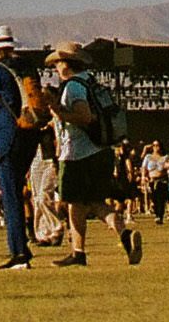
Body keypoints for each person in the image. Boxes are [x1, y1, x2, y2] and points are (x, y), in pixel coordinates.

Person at [43, 40, 141, 268]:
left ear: (67, 64)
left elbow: (84, 117)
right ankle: (125, 234)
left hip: (78, 154)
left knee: (74, 203)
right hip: (101, 152)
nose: (56, 67)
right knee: (97, 203)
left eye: (58, 62)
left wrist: (58, 112)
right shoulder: (90, 82)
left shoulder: (73, 87)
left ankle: (78, 252)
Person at [0, 27, 44, 272]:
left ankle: (18, 252)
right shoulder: (27, 66)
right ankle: (24, 245)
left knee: (11, 196)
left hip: (8, 134)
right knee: (18, 190)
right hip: (30, 134)